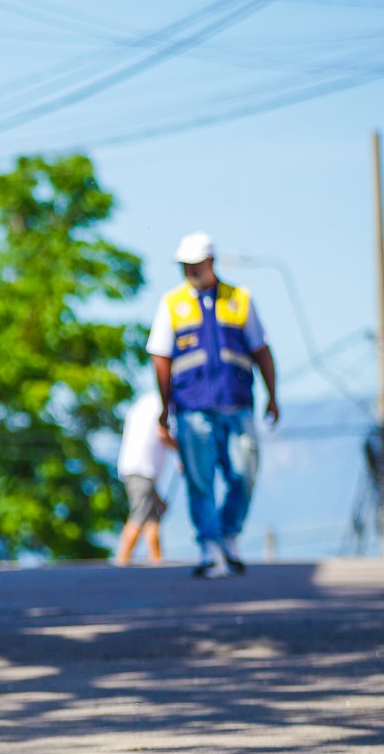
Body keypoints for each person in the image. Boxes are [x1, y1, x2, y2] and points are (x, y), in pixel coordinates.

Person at [147, 232, 279, 579]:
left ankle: (228, 535)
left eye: (195, 265)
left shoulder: (240, 299)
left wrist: (273, 395)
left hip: (237, 404)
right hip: (193, 408)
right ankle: (209, 546)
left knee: (243, 474)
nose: (190, 271)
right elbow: (160, 357)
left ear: (211, 263)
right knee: (200, 479)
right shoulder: (172, 303)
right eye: (184, 266)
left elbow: (260, 348)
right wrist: (165, 406)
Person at [114, 391, 175, 565]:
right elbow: (164, 433)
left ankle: (156, 560)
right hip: (142, 469)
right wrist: (182, 453)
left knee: (152, 516)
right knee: (139, 514)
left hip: (135, 467)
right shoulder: (162, 406)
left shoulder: (143, 403)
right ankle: (121, 560)